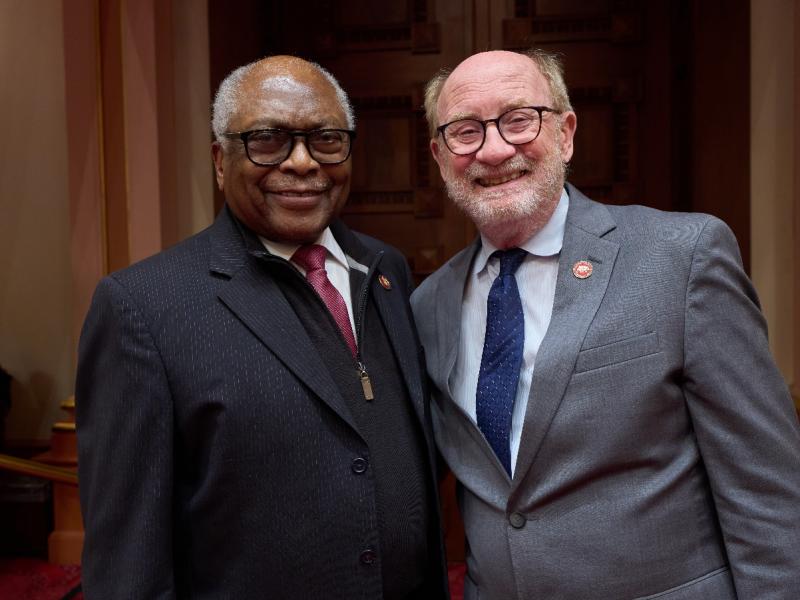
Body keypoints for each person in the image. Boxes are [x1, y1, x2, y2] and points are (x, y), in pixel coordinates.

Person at [411, 48, 800, 599]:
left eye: (519, 120)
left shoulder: (680, 257)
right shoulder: (427, 306)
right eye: (466, 131)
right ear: (440, 153)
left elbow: (768, 492)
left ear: (566, 133)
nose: (494, 150)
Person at [76, 55, 447, 599]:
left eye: (325, 139)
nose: (302, 163)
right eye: (268, 140)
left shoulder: (386, 269)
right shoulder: (143, 308)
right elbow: (128, 557)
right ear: (220, 162)